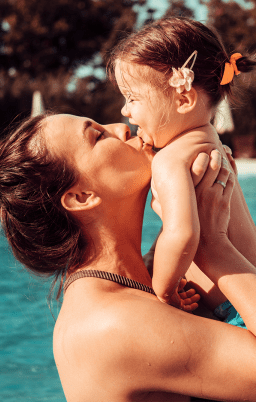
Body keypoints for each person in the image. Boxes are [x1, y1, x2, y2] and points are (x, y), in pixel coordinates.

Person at [0, 112, 256, 401]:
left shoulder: (149, 279)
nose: (123, 127)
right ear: (81, 197)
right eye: (98, 135)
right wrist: (215, 247)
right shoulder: (111, 323)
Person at [108, 17, 256, 306]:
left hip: (231, 305)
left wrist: (165, 291)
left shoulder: (170, 161)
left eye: (132, 98)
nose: (125, 111)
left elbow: (183, 234)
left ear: (184, 99)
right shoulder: (211, 141)